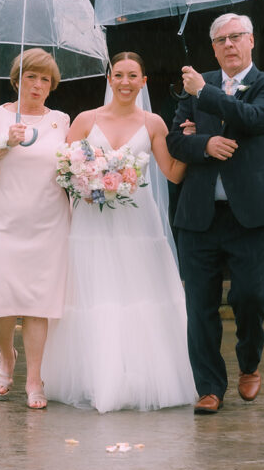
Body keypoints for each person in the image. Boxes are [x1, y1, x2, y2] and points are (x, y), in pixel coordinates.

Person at [42, 52, 197, 413]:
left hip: (138, 222)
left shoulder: (154, 123)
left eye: (133, 76)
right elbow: (62, 169)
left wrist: (190, 141)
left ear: (144, 82)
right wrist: (88, 179)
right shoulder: (85, 120)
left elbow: (172, 173)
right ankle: (95, 379)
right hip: (91, 222)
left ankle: (141, 379)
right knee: (95, 295)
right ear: (109, 79)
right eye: (119, 75)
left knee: (139, 293)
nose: (125, 82)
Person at [166, 13, 264, 414]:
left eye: (236, 37)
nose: (229, 45)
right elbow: (174, 141)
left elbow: (255, 119)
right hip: (199, 214)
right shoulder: (194, 85)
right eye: (220, 40)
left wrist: (205, 94)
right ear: (213, 47)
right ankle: (209, 387)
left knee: (250, 296)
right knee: (199, 305)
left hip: (250, 214)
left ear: (251, 40)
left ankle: (250, 362)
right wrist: (204, 145)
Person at [0, 49, 71, 409]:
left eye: (45, 80)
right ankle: (7, 355)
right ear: (17, 79)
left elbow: (71, 166)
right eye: (31, 77)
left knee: (40, 301)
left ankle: (35, 379)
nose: (37, 85)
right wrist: (4, 144)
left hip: (48, 222)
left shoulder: (61, 121)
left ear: (52, 86)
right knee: (1, 300)